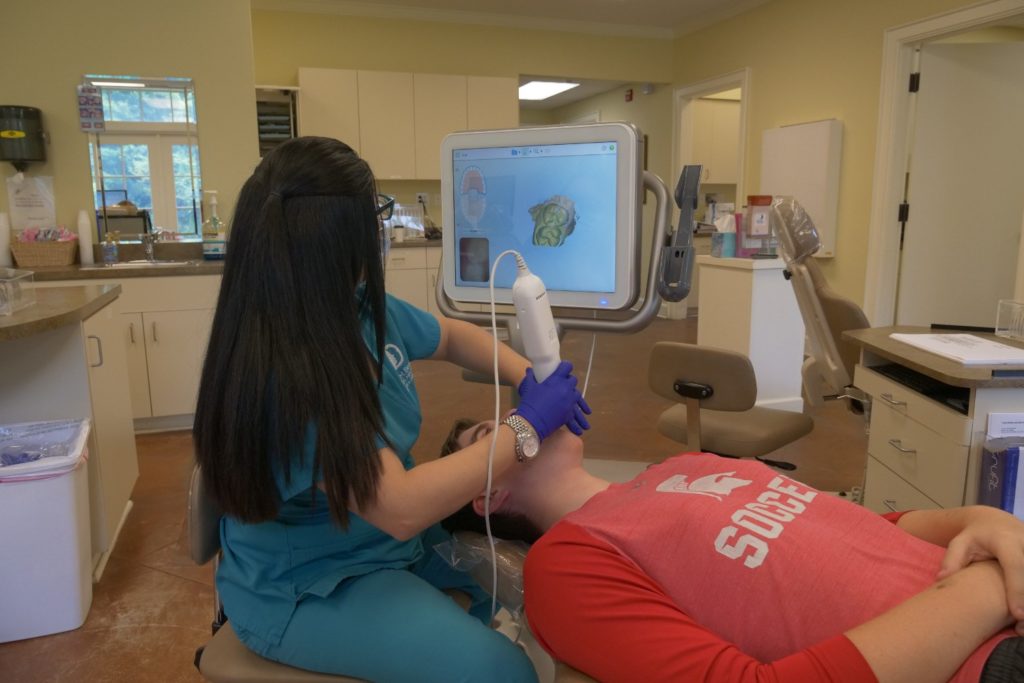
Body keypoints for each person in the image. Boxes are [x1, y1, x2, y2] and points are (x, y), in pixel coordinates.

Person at [192, 136, 591, 683]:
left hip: (382, 541)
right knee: (502, 670)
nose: (381, 232)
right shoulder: (290, 374)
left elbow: (450, 336)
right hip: (310, 580)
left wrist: (530, 376)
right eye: (373, 218)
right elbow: (400, 505)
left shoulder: (354, 306)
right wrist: (526, 426)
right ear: (339, 244)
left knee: (535, 608)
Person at [442, 420, 1024, 683]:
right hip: (983, 657)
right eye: (490, 434)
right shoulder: (566, 564)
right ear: (489, 497)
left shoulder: (678, 466)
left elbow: (855, 525)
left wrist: (986, 520)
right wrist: (982, 590)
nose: (519, 414)